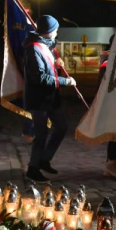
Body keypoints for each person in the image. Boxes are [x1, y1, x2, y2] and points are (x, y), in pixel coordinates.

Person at [23, 15, 77, 182]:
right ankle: (33, 168)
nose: (57, 32)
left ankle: (44, 159)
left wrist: (57, 65)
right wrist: (65, 81)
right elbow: (40, 78)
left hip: (51, 97)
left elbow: (49, 68)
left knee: (61, 127)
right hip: (39, 99)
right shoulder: (33, 48)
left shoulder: (46, 45)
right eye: (55, 29)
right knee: (41, 134)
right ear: (48, 32)